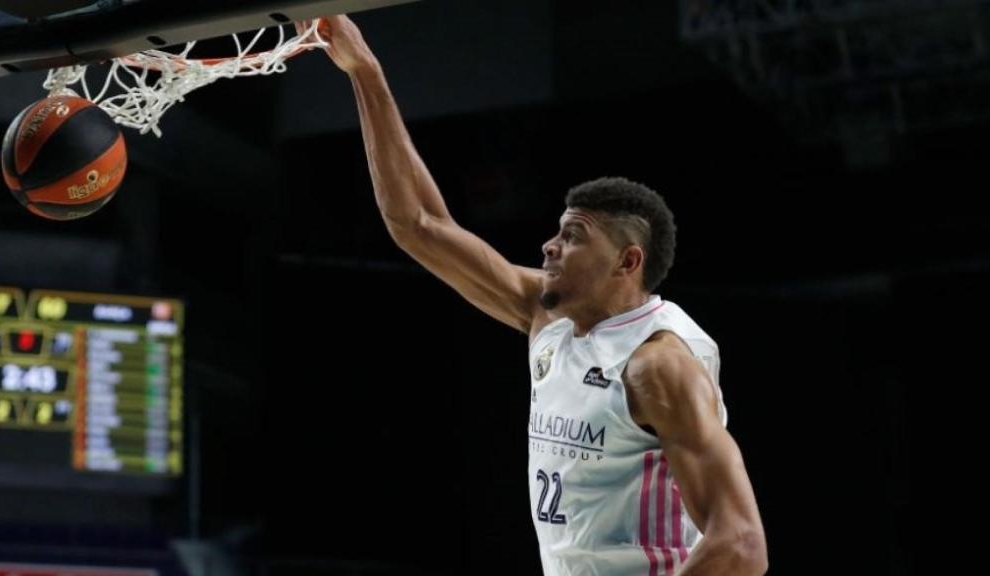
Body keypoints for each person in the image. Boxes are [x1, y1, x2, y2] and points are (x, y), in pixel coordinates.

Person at [316, 14, 768, 576]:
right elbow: (418, 223)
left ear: (627, 262)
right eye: (557, 231)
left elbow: (741, 545)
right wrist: (367, 73)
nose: (549, 246)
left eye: (573, 236)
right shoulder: (548, 317)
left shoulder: (658, 365)